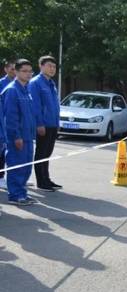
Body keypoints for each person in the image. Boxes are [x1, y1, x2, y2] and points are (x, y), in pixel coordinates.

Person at [2, 59, 37, 206]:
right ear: (15, 72)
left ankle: (22, 193)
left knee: (26, 166)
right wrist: (16, 136)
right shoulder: (12, 90)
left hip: (28, 136)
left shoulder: (26, 90)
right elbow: (10, 117)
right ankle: (15, 195)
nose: (28, 74)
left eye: (30, 71)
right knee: (17, 165)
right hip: (17, 137)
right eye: (24, 71)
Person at [28, 55, 61, 192]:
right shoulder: (35, 83)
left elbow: (55, 105)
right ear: (41, 66)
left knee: (47, 153)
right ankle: (41, 182)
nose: (52, 69)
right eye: (49, 66)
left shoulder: (51, 83)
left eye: (54, 67)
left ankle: (46, 178)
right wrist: (39, 123)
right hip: (43, 124)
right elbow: (35, 106)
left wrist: (57, 122)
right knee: (41, 153)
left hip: (52, 124)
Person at [0, 59, 17, 190]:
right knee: (2, 152)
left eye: (15, 68)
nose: (13, 71)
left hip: (13, 123)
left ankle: (15, 176)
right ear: (5, 69)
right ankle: (1, 177)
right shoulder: (2, 84)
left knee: (13, 152)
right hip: (3, 122)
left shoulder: (20, 84)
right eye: (11, 68)